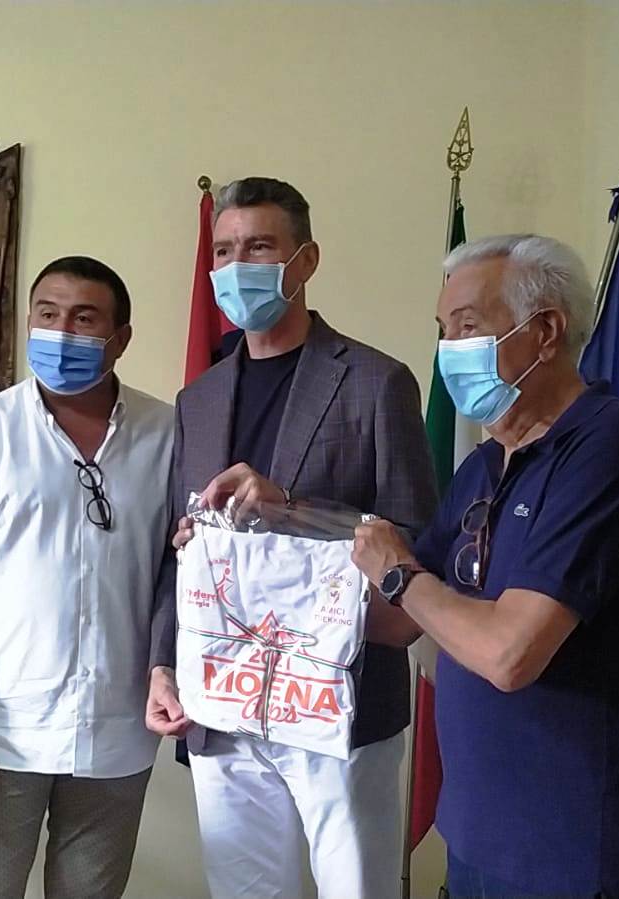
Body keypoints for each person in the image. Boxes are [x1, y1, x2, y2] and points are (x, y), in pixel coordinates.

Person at [351, 234, 619, 899]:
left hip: (577, 852)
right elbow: (397, 621)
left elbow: (509, 654)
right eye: (443, 330)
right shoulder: (485, 464)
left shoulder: (617, 448)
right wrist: (262, 547)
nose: (448, 351)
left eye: (467, 327)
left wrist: (397, 573)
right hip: (477, 835)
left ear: (545, 332)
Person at [145, 176, 437, 898]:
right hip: (223, 704)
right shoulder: (197, 398)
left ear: (304, 261)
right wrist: (162, 663)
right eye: (223, 251)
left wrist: (293, 510)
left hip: (337, 700)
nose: (235, 265)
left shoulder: (377, 382)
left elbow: (413, 544)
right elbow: (181, 548)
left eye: (258, 247)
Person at [0, 256, 174, 899]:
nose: (62, 332)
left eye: (84, 318)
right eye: (47, 315)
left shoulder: (168, 436)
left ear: (121, 338)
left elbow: (183, 572)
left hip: (120, 734)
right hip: (0, 737)